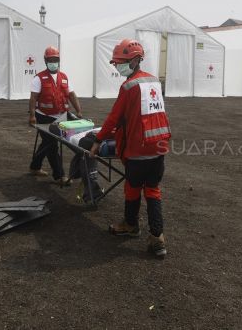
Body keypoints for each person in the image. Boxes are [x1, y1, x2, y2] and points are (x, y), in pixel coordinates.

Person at [89, 39, 171, 258]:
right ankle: (158, 239)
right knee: (152, 190)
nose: (118, 67)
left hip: (138, 148)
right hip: (159, 145)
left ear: (135, 60)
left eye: (121, 62)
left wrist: (98, 140)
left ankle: (131, 225)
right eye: (116, 63)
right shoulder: (154, 81)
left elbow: (114, 118)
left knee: (133, 188)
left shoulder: (128, 86)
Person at [29, 45, 83, 186]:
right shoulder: (39, 78)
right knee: (52, 145)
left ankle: (34, 167)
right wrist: (32, 116)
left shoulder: (64, 77)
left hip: (61, 116)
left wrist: (78, 110)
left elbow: (71, 94)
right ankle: (59, 176)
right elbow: (33, 98)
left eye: (55, 59)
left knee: (47, 143)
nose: (53, 62)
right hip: (43, 116)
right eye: (50, 59)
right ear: (46, 61)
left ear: (59, 60)